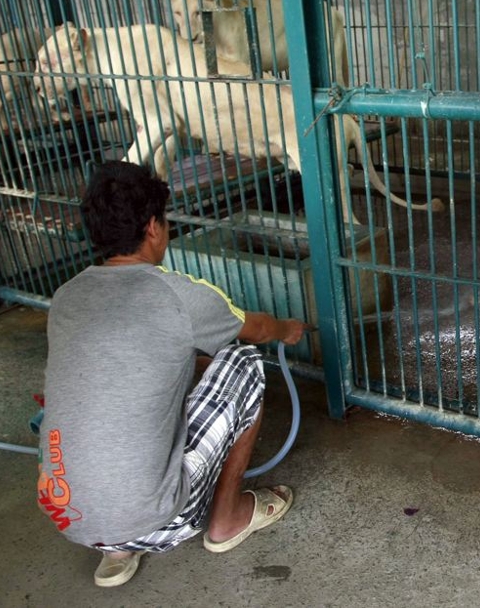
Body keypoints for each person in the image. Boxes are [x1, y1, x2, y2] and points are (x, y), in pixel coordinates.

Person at [37, 160, 309, 587]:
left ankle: (115, 550)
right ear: (152, 228)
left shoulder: (67, 297)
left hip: (70, 516)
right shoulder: (176, 295)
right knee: (244, 363)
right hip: (163, 521)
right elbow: (254, 330)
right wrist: (287, 329)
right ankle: (227, 519)